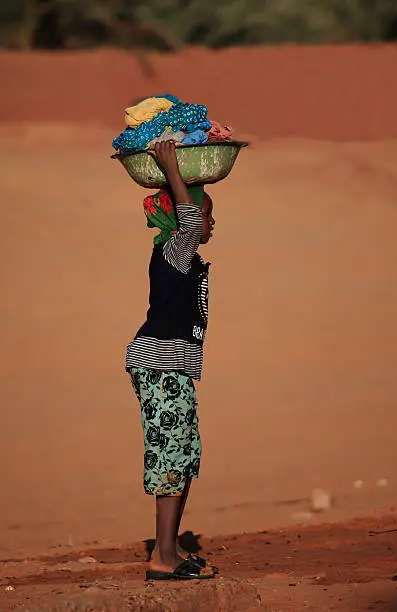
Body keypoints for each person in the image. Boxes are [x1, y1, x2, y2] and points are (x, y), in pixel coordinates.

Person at [126, 141, 216, 580]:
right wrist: (172, 168)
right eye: (207, 214)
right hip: (160, 367)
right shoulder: (173, 252)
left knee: (184, 456)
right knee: (169, 457)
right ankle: (163, 557)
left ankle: (171, 548)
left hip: (172, 368)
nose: (211, 223)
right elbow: (190, 219)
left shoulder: (185, 258)